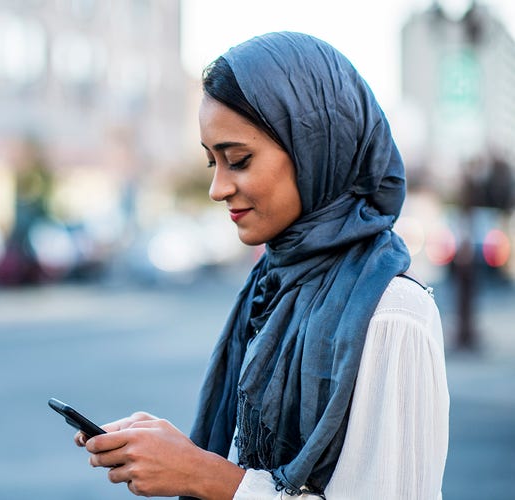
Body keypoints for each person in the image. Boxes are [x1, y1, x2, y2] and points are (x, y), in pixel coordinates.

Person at [74, 32, 449, 499]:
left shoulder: (392, 312)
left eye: (239, 160)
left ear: (316, 148)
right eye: (212, 162)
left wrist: (203, 476)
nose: (218, 188)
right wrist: (174, 453)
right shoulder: (270, 288)